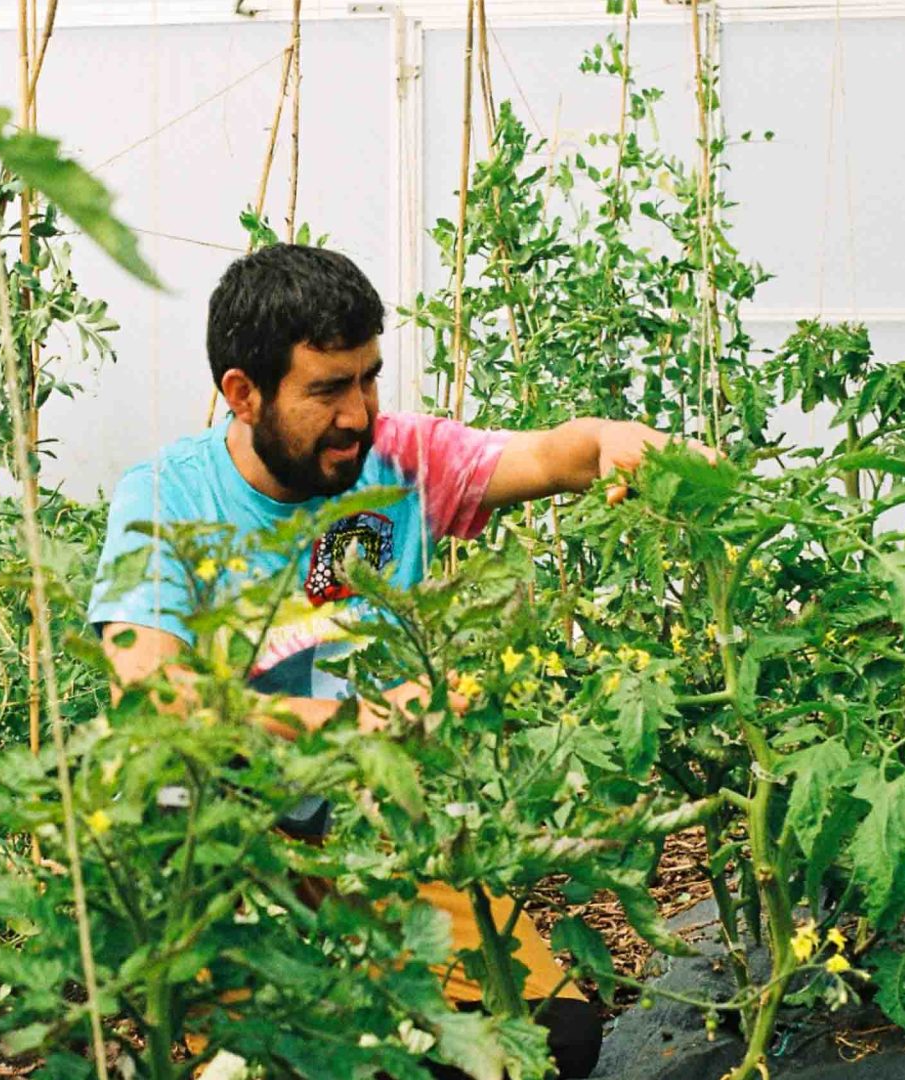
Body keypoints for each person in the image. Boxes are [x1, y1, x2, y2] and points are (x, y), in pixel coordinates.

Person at [87, 245, 704, 1078]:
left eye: (369, 378)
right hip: (235, 857)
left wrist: (614, 443)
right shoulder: (165, 497)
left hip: (378, 842)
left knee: (554, 1040)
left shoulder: (401, 459)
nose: (358, 413)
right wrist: (358, 723)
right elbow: (157, 698)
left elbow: (554, 456)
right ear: (242, 392)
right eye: (326, 389)